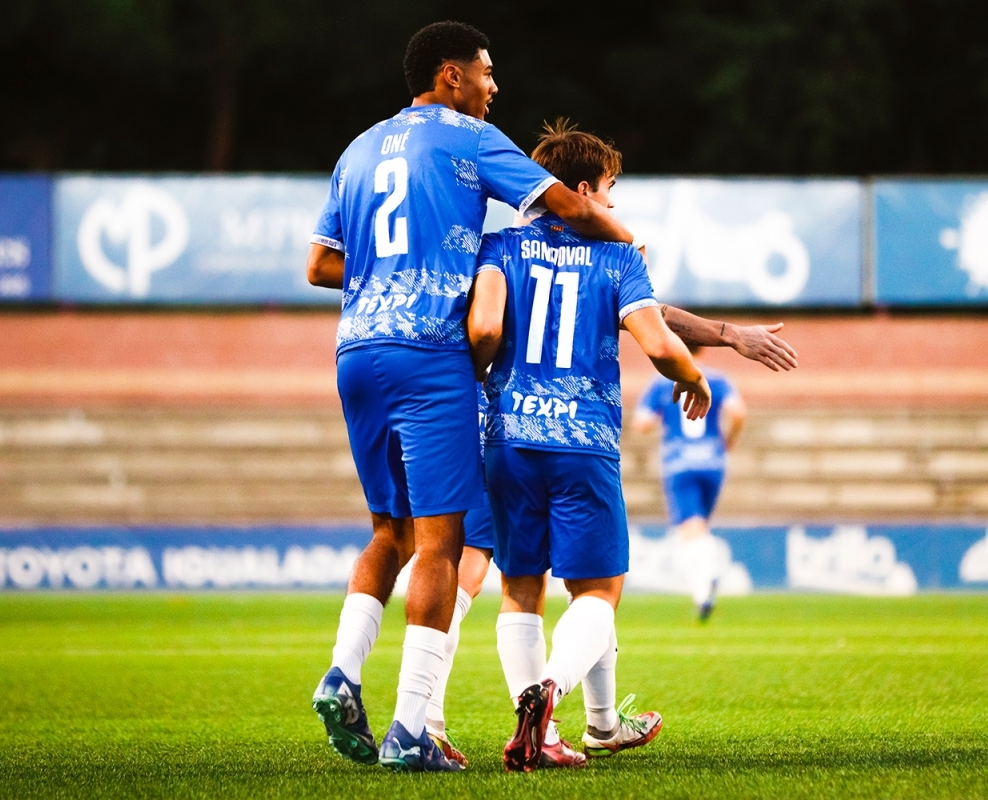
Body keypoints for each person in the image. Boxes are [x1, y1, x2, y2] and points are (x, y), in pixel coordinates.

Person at [304, 21, 639, 773]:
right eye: (487, 73)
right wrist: (627, 238)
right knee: (441, 545)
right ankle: (411, 727)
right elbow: (572, 207)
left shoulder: (358, 149)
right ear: (451, 76)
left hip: (357, 350)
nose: (495, 86)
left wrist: (392, 270)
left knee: (387, 531)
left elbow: (320, 266)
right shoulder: (467, 136)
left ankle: (342, 672)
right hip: (429, 357)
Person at [467, 119, 711, 772]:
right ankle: (549, 695)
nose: (612, 206)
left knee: (520, 589)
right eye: (609, 191)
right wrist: (695, 377)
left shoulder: (499, 246)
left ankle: (552, 729)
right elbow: (659, 345)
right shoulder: (619, 256)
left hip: (509, 438)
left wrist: (491, 379)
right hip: (581, 441)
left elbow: (484, 327)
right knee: (598, 592)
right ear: (581, 188)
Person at [633, 345, 747, 620]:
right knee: (699, 526)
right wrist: (728, 440)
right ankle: (706, 581)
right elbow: (738, 412)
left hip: (679, 463)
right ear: (703, 350)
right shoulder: (717, 380)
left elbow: (641, 423)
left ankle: (704, 586)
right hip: (712, 462)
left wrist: (662, 418)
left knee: (690, 530)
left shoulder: (662, 383)